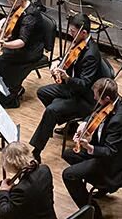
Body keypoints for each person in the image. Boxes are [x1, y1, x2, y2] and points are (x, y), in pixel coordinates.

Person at [29, 14, 105, 159]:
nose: (70, 34)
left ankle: (37, 150)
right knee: (42, 92)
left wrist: (68, 78)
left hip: (86, 98)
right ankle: (65, 121)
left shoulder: (91, 54)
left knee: (52, 110)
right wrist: (57, 63)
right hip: (72, 88)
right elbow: (67, 59)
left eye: (73, 31)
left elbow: (85, 85)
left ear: (83, 33)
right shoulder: (77, 43)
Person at [59, 77, 122, 218]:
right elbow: (94, 112)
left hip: (112, 162)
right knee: (68, 154)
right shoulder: (114, 100)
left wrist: (89, 146)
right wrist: (83, 124)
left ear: (107, 98)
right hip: (102, 150)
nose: (94, 98)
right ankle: (98, 182)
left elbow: (111, 151)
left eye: (97, 96)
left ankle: (92, 211)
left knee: (69, 175)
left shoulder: (118, 120)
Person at [0, 0, 50, 107]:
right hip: (17, 43)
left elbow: (22, 42)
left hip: (29, 50)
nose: (9, 3)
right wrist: (0, 24)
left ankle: (6, 97)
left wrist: (4, 44)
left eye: (12, 0)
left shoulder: (30, 16)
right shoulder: (19, 7)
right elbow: (9, 17)